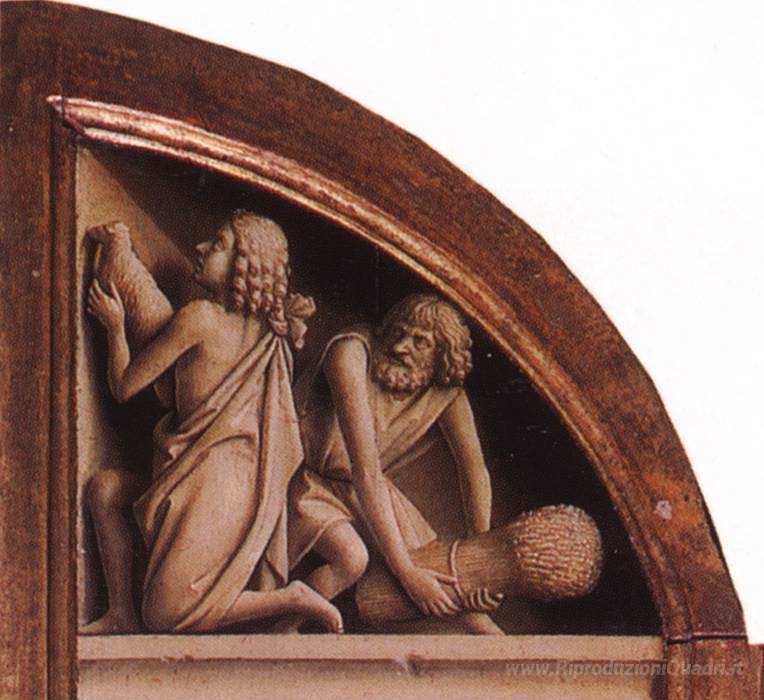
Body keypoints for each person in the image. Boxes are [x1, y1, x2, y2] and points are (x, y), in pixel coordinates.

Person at [82, 210, 342, 634]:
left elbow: (125, 386)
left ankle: (291, 598)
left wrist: (114, 328)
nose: (201, 249)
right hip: (213, 479)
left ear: (245, 264)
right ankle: (120, 612)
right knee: (106, 490)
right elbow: (181, 397)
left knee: (164, 614)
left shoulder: (199, 317)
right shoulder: (269, 333)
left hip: (214, 483)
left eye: (218, 244)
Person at [279, 294, 503, 634]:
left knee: (442, 572)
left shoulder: (446, 393)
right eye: (398, 333)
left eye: (420, 342)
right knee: (351, 559)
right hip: (308, 481)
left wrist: (481, 559)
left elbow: (474, 472)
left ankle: (488, 635)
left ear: (442, 355)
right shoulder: (350, 353)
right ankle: (279, 631)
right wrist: (407, 573)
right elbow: (365, 469)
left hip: (365, 490)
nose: (400, 347)